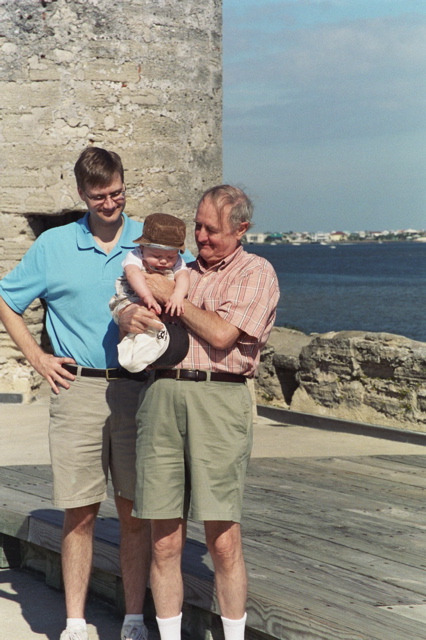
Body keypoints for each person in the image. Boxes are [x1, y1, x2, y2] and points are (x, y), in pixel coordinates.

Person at [0, 147, 185, 640]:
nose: (111, 203)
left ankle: (131, 619)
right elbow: (5, 298)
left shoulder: (153, 238)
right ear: (82, 194)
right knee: (79, 513)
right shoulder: (54, 245)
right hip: (77, 388)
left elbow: (189, 285)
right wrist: (36, 358)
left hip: (141, 392)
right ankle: (76, 623)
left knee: (133, 512)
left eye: (118, 192)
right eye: (100, 196)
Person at [122, 185, 280, 640]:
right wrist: (126, 316)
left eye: (212, 229)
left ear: (242, 229)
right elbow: (132, 306)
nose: (201, 237)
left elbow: (222, 334)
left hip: (219, 400)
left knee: (223, 540)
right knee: (164, 539)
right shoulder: (179, 269)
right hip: (161, 398)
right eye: (197, 225)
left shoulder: (257, 272)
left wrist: (176, 296)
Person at [109, 213, 190, 373]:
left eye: (170, 256)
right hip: (131, 297)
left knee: (153, 330)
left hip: (159, 304)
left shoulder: (178, 261)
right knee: (136, 324)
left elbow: (184, 276)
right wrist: (146, 296)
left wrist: (178, 295)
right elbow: (133, 273)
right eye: (156, 255)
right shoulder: (135, 255)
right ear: (143, 247)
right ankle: (133, 357)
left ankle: (149, 358)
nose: (164, 261)